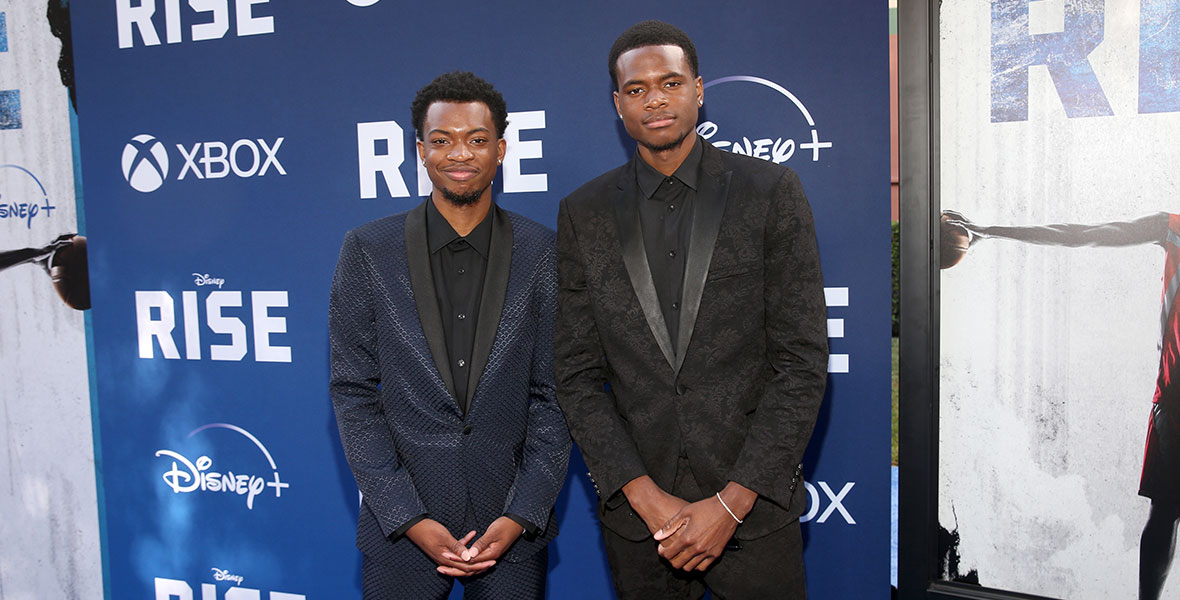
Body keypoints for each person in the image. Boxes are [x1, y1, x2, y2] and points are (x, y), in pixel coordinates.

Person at [554, 20, 829, 599]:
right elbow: (576, 374)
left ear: (699, 90)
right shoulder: (584, 213)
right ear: (618, 104)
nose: (655, 98)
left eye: (670, 82)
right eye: (636, 89)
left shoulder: (771, 192)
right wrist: (642, 494)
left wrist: (733, 502)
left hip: (753, 515)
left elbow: (801, 361)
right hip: (641, 524)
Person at [329, 71, 570, 600]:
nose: (459, 154)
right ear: (420, 150)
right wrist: (407, 516)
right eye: (442, 140)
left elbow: (554, 397)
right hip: (402, 532)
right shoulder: (368, 250)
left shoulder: (543, 253)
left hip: (509, 528)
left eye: (477, 140)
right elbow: (352, 391)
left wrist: (521, 514)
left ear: (501, 149)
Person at [944, 210, 1180, 600]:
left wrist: (989, 232)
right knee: (1166, 510)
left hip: (1173, 401)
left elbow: (1083, 233)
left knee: (1166, 510)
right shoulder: (1173, 228)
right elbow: (1082, 233)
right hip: (1172, 401)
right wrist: (989, 231)